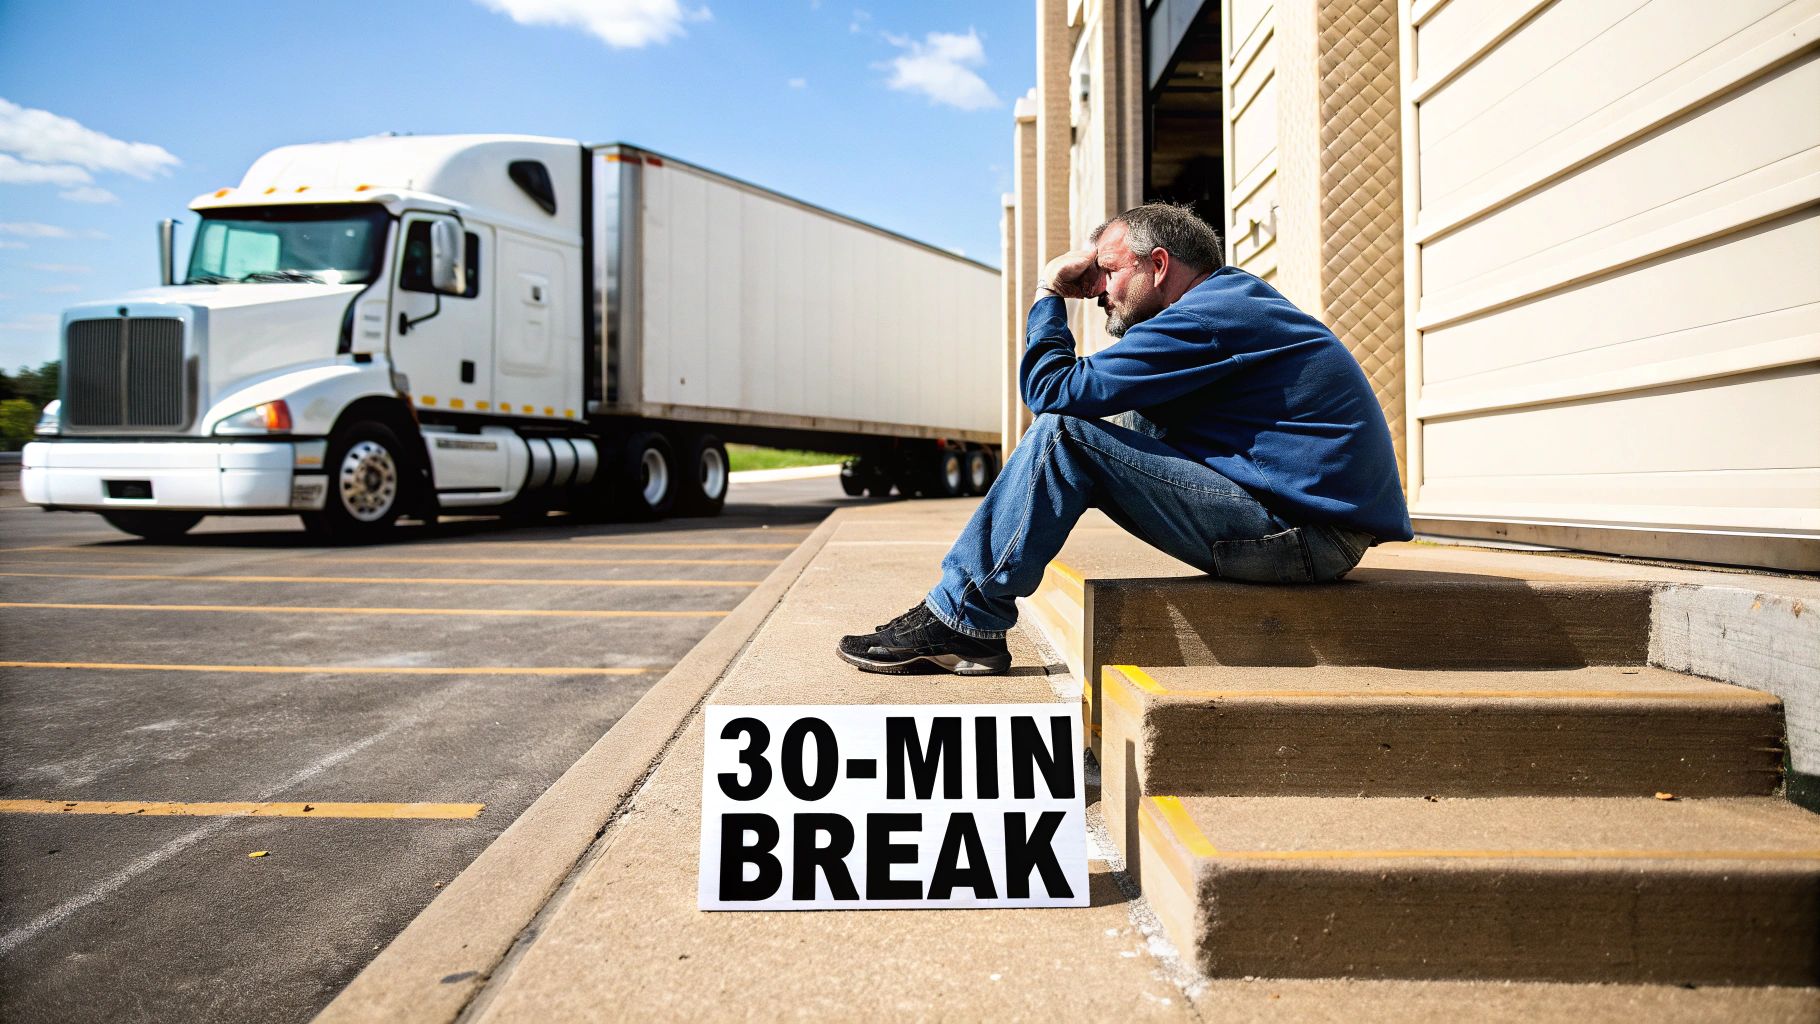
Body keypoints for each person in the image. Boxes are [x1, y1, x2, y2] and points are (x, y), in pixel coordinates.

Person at [837, 202, 1412, 675]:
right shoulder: (1229, 302)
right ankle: (973, 604)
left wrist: (1048, 293)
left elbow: (1052, 391)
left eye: (1108, 272)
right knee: (1129, 416)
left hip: (1304, 539)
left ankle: (965, 618)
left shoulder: (1205, 320)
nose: (1097, 291)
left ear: (1158, 266)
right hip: (1310, 527)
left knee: (1065, 435)